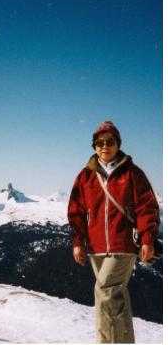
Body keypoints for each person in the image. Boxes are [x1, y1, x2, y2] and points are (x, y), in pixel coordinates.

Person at [68, 121, 159, 343]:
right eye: (98, 143)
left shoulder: (132, 173)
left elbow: (146, 207)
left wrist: (147, 239)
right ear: (94, 146)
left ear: (118, 144)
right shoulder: (85, 176)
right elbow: (76, 211)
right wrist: (78, 241)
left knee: (104, 291)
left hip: (123, 244)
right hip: (96, 246)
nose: (104, 146)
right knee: (113, 298)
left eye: (109, 142)